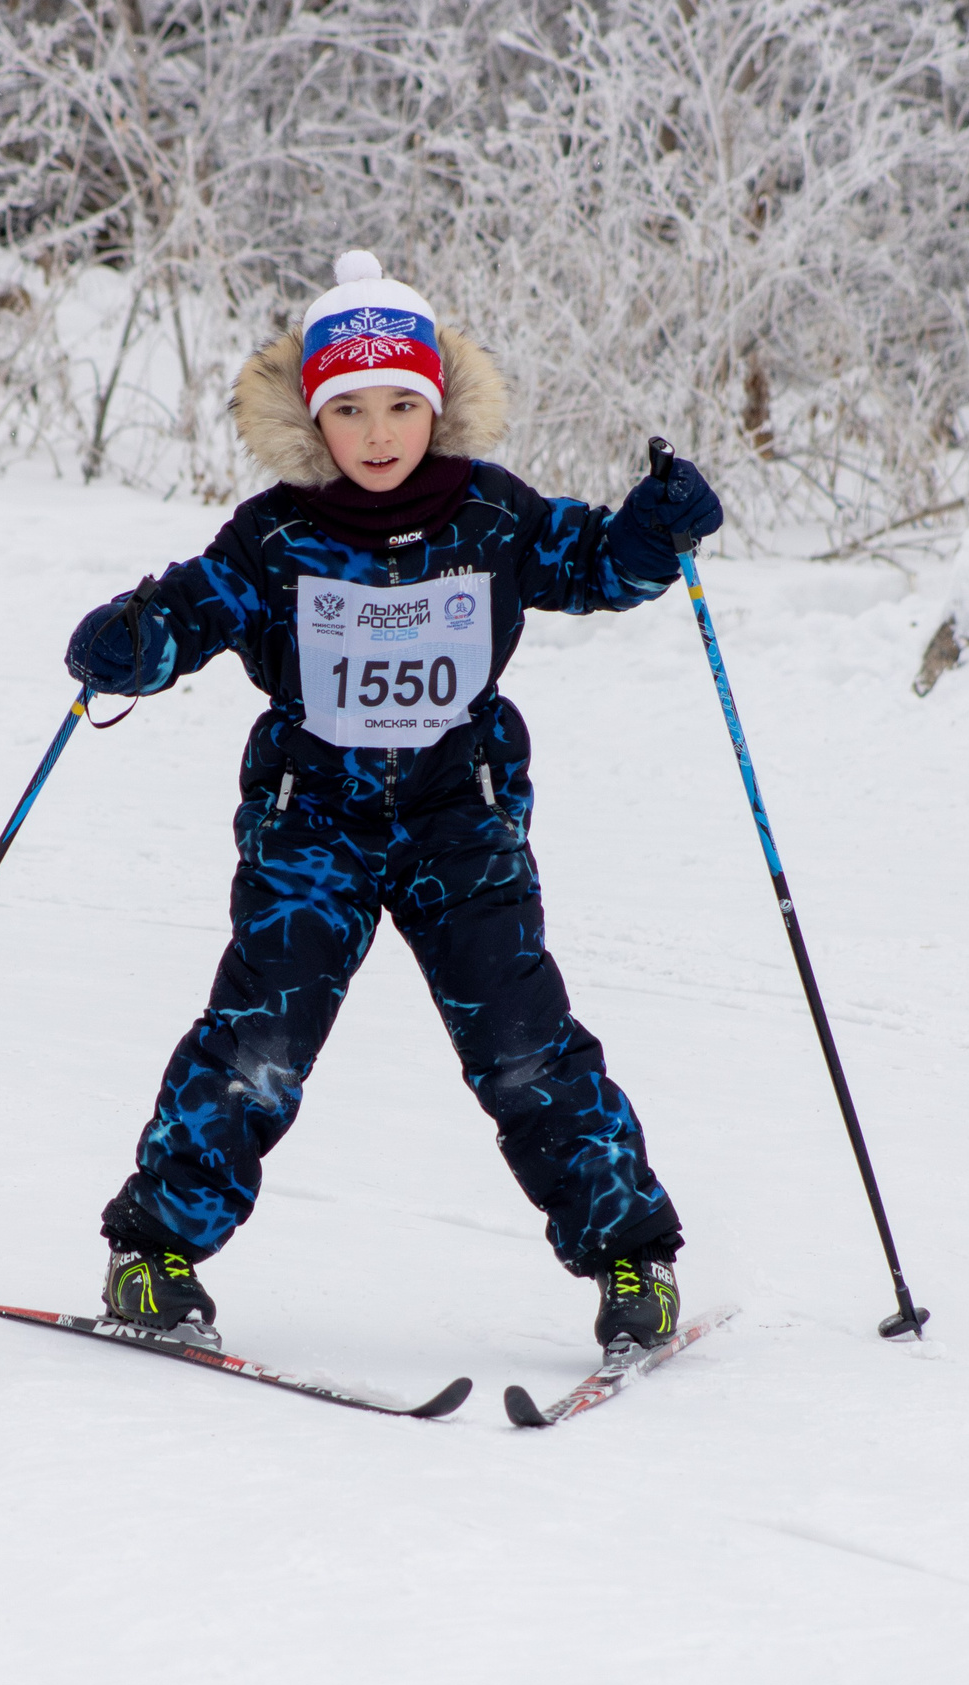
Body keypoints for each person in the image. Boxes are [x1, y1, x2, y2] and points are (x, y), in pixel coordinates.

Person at [64, 250, 721, 1357]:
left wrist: (655, 529)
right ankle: (156, 1259)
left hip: (460, 826)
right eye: (352, 409)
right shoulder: (275, 536)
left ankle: (630, 1264)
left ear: (437, 407)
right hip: (308, 829)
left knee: (526, 1048)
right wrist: (135, 643)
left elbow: (599, 564)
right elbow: (197, 606)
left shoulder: (493, 518)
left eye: (401, 406)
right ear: (317, 420)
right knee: (258, 1045)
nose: (378, 433)